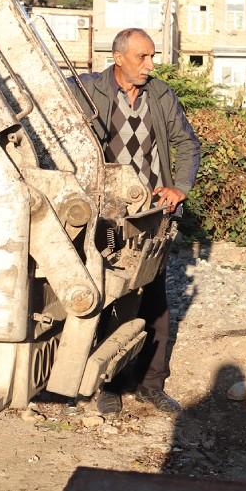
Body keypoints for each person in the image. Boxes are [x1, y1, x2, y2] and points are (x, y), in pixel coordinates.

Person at [74, 28, 200, 415]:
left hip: (150, 214)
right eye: (142, 57)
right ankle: (107, 383)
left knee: (155, 297)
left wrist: (178, 187)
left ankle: (150, 383)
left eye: (152, 57)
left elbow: (186, 143)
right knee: (108, 295)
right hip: (103, 213)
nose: (150, 65)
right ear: (118, 57)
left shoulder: (160, 95)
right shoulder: (86, 90)